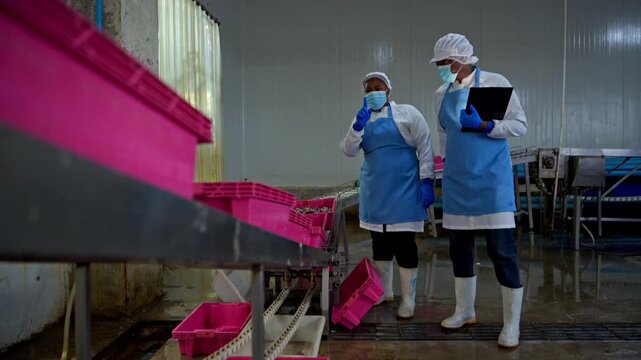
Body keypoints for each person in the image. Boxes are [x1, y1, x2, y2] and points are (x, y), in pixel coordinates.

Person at [430, 33, 527, 347]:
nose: (442, 69)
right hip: (458, 183)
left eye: (445, 63)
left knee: (502, 252)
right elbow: (444, 139)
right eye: (440, 64)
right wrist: (438, 175)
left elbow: (519, 125)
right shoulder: (441, 93)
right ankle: (464, 311)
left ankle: (511, 324)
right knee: (460, 250)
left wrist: (487, 126)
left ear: (461, 60)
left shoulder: (493, 84)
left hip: (491, 183)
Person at [340, 72, 435, 319]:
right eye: (369, 89)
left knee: (405, 245)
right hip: (376, 191)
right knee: (380, 245)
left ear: (389, 91)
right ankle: (384, 292)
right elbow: (348, 150)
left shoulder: (407, 113)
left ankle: (408, 300)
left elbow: (425, 147)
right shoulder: (361, 118)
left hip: (404, 190)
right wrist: (357, 127)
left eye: (378, 87)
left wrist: (427, 180)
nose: (373, 92)